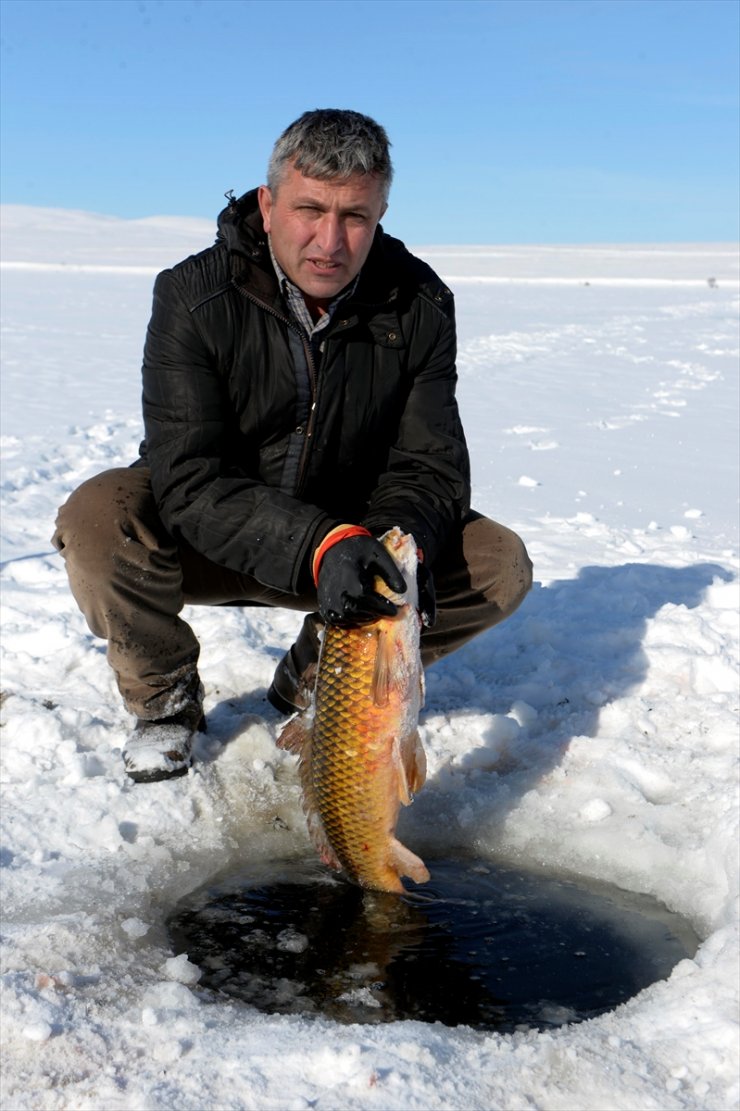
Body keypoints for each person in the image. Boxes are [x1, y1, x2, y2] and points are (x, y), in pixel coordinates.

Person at [52, 109, 533, 783]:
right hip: (212, 538)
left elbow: (430, 466)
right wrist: (319, 543)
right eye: (310, 209)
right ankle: (165, 698)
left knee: (497, 563)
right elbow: (189, 478)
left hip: (352, 550)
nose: (330, 240)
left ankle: (316, 682)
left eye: (356, 217)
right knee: (98, 518)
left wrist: (393, 543)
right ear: (268, 204)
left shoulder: (420, 304)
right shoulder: (193, 296)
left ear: (382, 213)